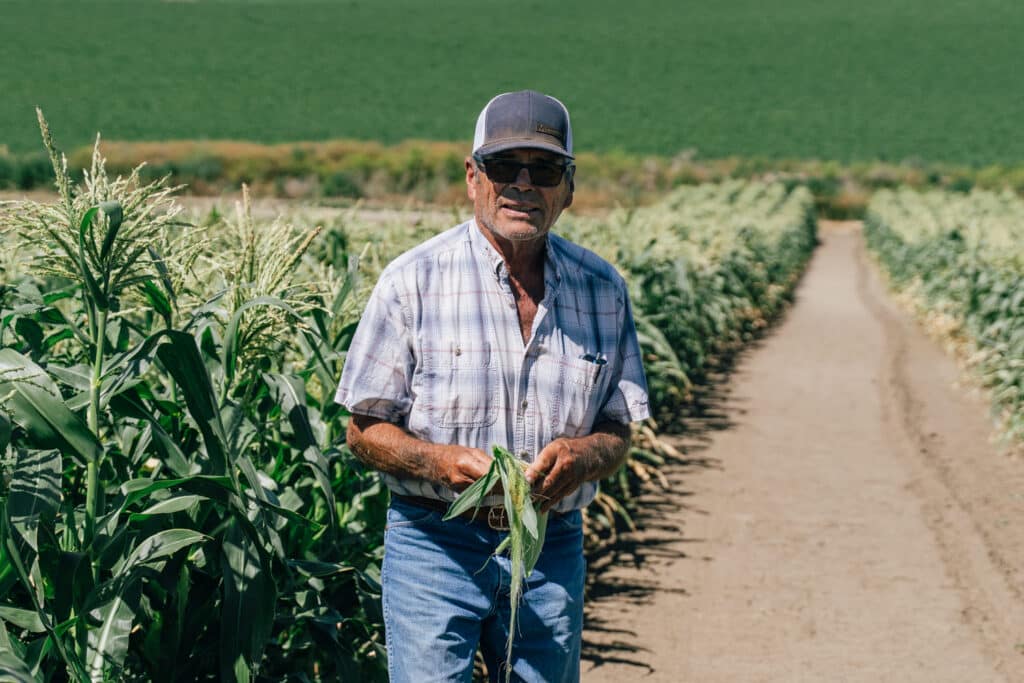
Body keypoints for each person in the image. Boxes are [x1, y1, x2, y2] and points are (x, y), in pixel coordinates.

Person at [335, 89, 650, 682]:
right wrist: (438, 463)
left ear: (569, 186)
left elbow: (617, 429)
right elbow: (362, 430)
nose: (523, 184)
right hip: (435, 542)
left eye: (545, 168)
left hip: (549, 545)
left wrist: (582, 457)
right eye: (505, 166)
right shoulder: (412, 281)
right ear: (473, 177)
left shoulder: (602, 291)